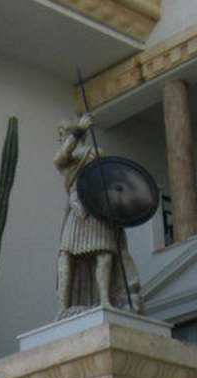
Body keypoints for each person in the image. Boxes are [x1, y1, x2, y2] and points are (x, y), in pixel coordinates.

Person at [54, 113, 140, 316]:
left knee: (104, 252)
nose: (60, 137)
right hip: (76, 210)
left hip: (96, 206)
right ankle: (62, 308)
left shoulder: (95, 153)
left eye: (62, 132)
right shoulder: (68, 158)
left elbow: (107, 180)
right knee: (66, 254)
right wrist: (78, 132)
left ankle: (104, 300)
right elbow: (59, 159)